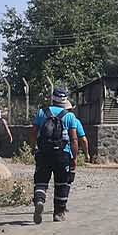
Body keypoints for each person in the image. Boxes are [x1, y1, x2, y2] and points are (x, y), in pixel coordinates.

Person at [31, 85, 89, 223]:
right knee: (62, 183)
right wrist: (74, 157)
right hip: (62, 154)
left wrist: (34, 148)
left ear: (53, 98)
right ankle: (59, 212)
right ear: (65, 101)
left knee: (41, 180)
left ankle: (39, 200)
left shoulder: (41, 112)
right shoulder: (69, 116)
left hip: (43, 152)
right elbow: (74, 139)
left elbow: (33, 133)